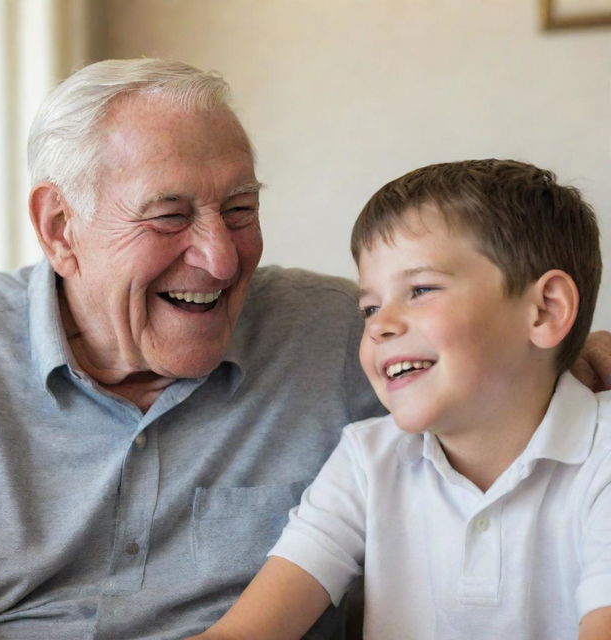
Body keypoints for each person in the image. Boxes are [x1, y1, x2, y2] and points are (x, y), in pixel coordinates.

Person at [0, 60, 608, 639]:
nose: (221, 259)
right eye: (168, 216)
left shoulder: (345, 337)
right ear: (59, 228)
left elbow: (509, 370)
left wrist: (578, 358)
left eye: (241, 209)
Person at [187, 159, 611, 640]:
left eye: (421, 289)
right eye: (369, 306)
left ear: (545, 310)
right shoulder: (366, 459)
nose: (379, 324)